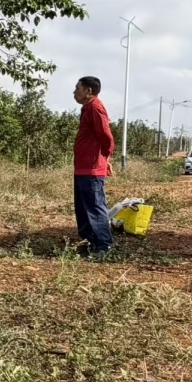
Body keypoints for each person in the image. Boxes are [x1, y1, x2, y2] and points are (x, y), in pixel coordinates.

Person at [72, 76, 115, 256]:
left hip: (91, 169)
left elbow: (106, 137)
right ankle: (91, 241)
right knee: (83, 208)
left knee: (95, 207)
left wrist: (105, 159)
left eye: (77, 88)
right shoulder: (87, 108)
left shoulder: (96, 108)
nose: (74, 92)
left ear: (88, 91)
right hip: (83, 168)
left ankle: (103, 245)